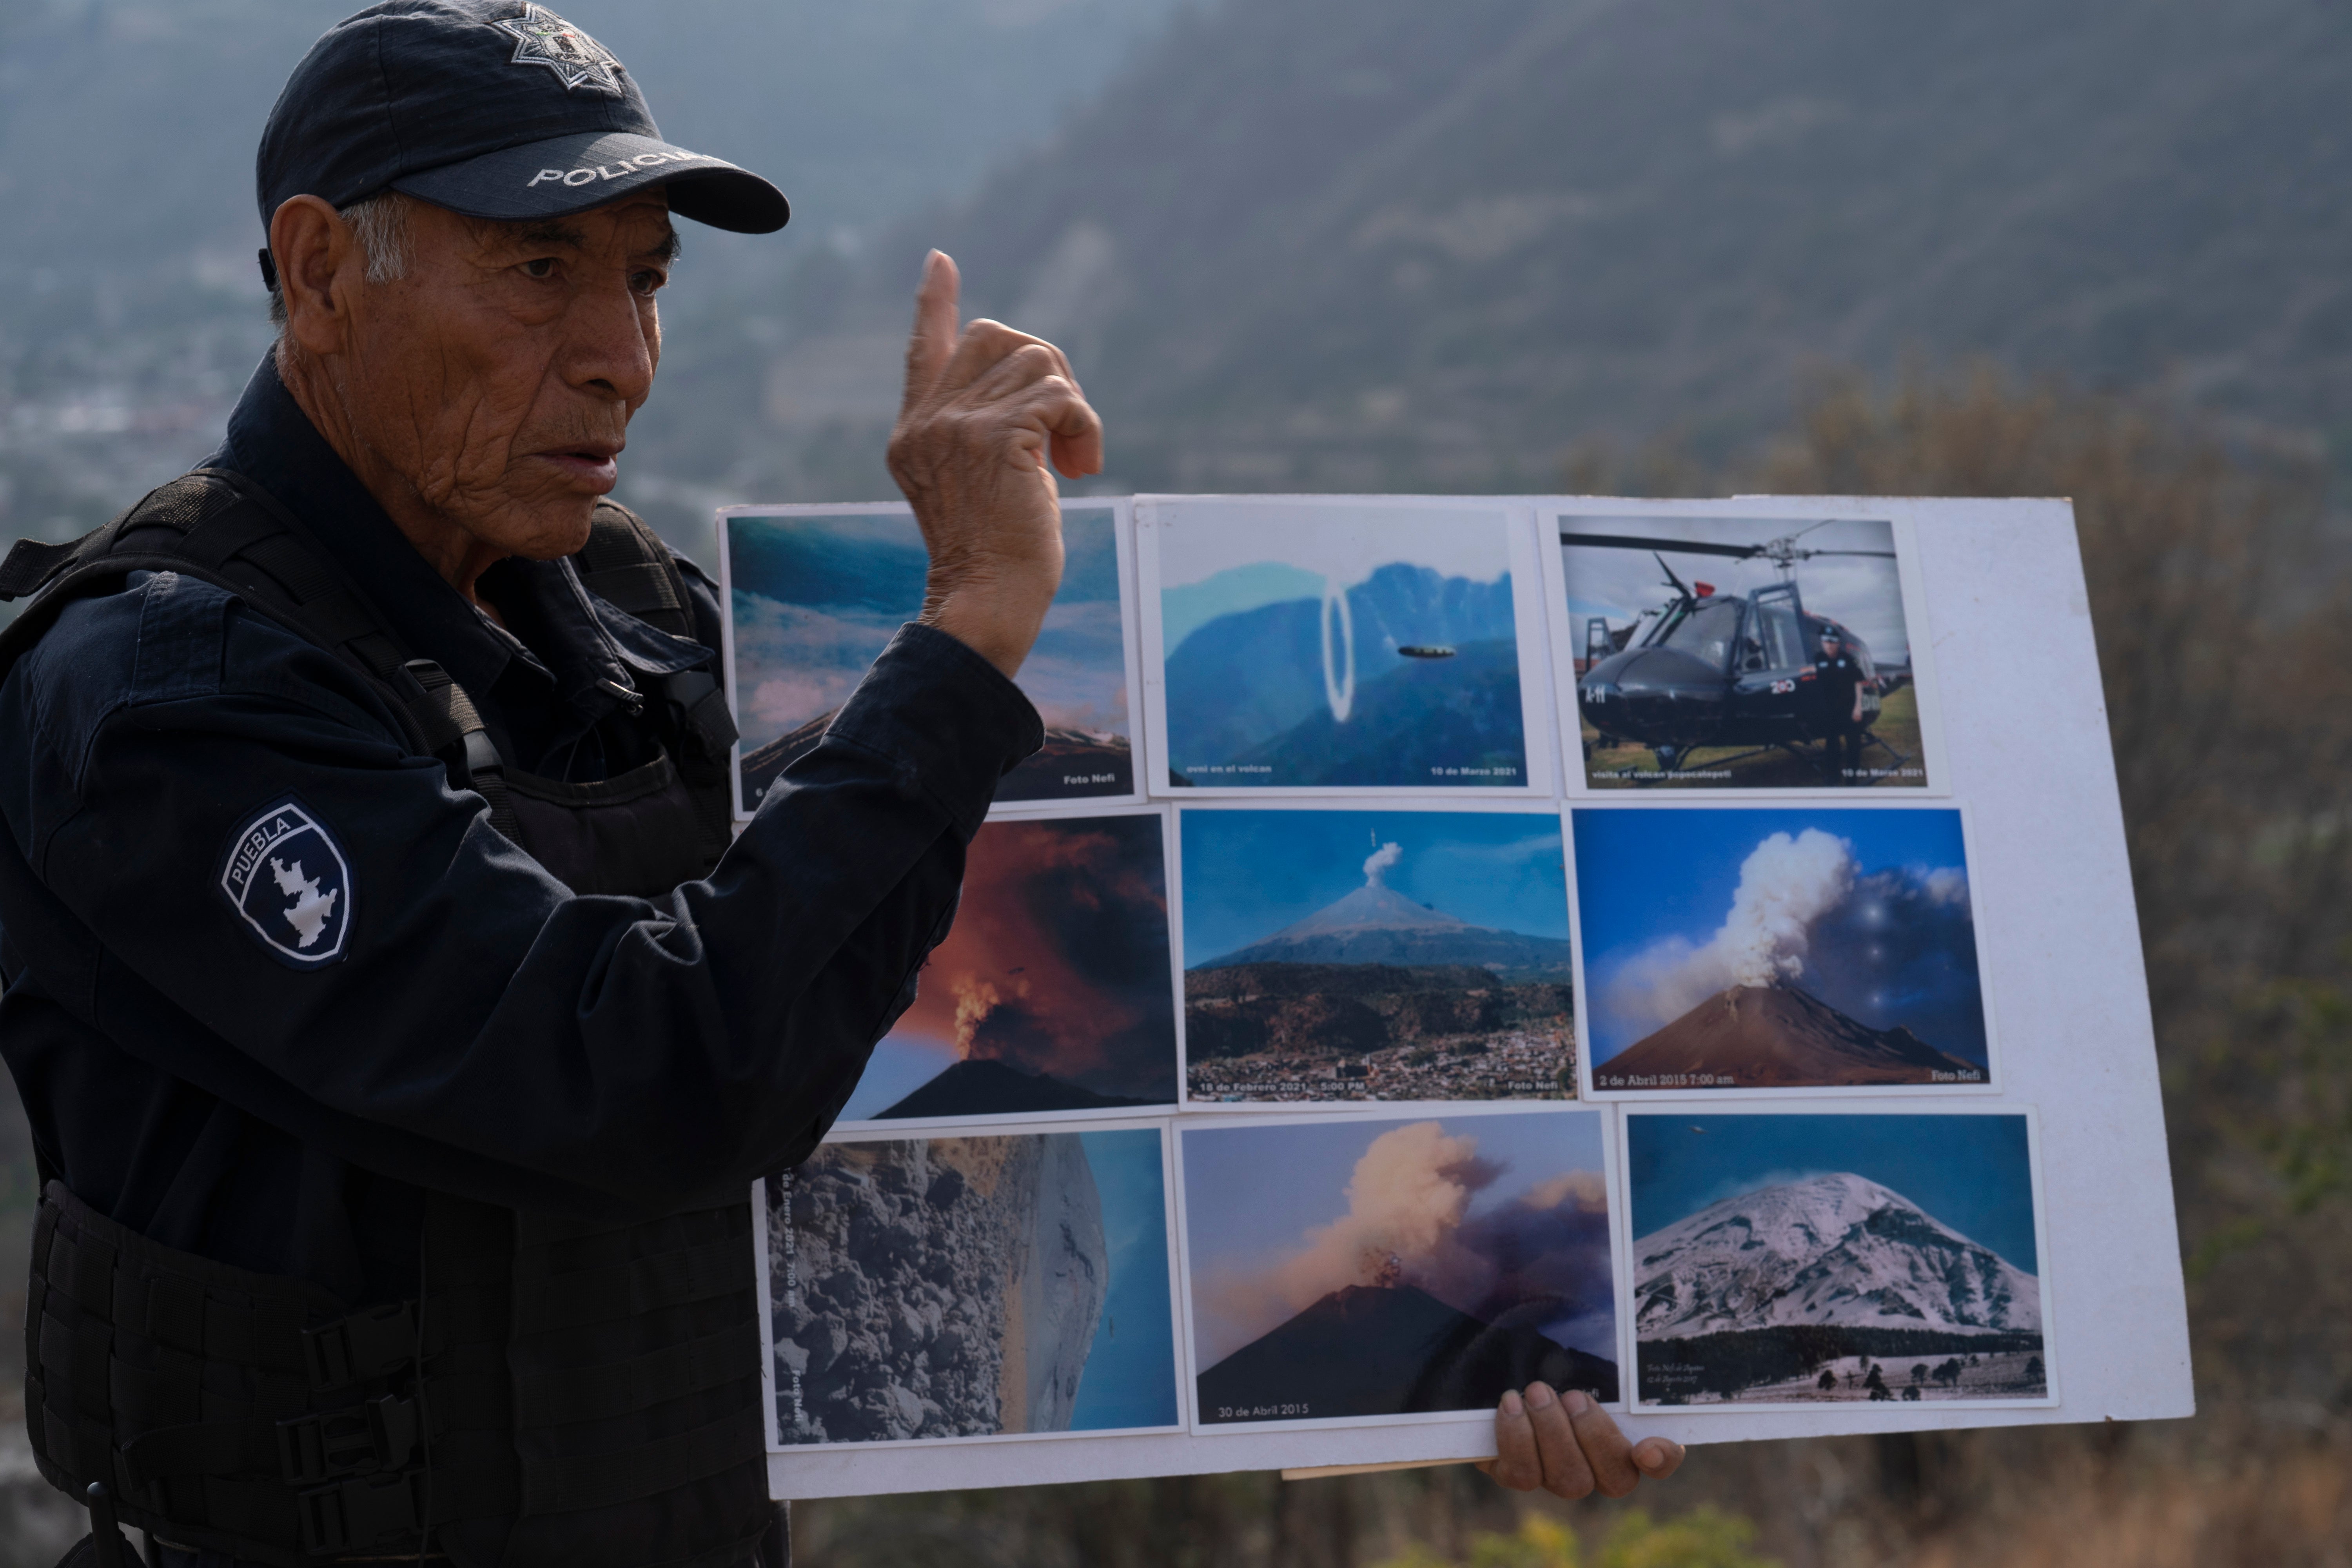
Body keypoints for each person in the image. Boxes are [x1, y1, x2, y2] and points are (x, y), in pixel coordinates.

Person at [0, 5, 1675, 1564]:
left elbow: (899, 970)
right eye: (535, 270)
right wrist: (964, 633)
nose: (621, 358)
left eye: (646, 281)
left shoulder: (639, 616)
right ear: (316, 272)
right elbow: (647, 1075)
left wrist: (1481, 1354)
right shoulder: (168, 694)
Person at [1813, 624, 1871, 784]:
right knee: (1832, 746)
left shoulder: (1848, 660)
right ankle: (1833, 779)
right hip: (1830, 711)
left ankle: (1852, 779)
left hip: (1849, 709)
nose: (1829, 645)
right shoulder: (1818, 659)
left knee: (1853, 745)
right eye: (1826, 641)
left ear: (1838, 643)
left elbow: (1858, 683)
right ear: (1822, 642)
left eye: (1833, 642)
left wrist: (1858, 707)